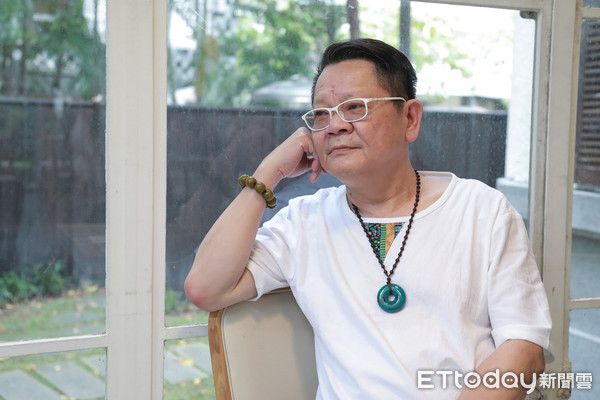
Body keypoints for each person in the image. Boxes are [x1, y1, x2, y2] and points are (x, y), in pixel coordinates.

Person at [185, 38, 552, 399]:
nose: (335, 125)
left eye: (354, 107)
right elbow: (206, 288)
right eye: (322, 113)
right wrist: (267, 174)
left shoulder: (481, 210)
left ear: (410, 118)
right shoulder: (304, 222)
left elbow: (524, 346)